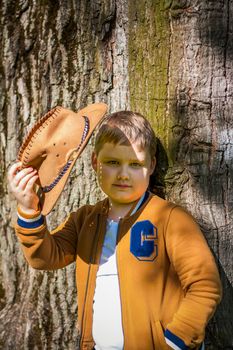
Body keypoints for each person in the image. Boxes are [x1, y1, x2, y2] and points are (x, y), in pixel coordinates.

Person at [8, 110, 222, 350]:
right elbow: (45, 257)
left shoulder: (170, 219)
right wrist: (28, 210)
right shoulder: (85, 220)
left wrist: (176, 340)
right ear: (95, 162)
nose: (123, 174)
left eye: (135, 164)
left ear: (151, 165)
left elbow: (204, 285)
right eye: (112, 162)